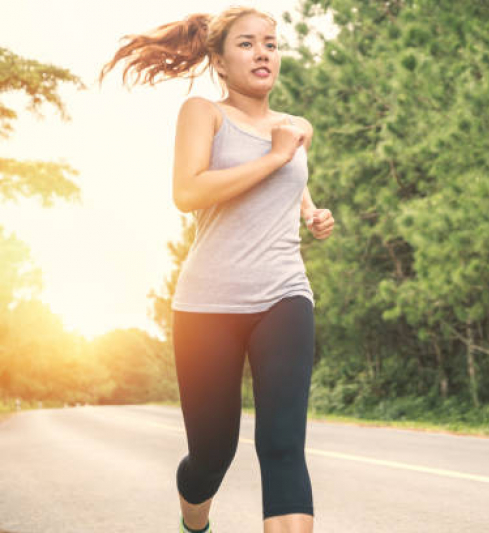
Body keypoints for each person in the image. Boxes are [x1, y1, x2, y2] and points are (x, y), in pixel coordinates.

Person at [99, 6, 334, 533]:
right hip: (207, 304)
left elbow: (293, 184)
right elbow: (188, 193)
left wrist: (312, 213)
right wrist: (274, 159)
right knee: (212, 453)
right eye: (247, 44)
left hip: (284, 293)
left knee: (281, 445)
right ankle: (194, 523)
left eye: (271, 44)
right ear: (220, 62)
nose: (263, 53)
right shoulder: (203, 112)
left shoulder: (296, 129)